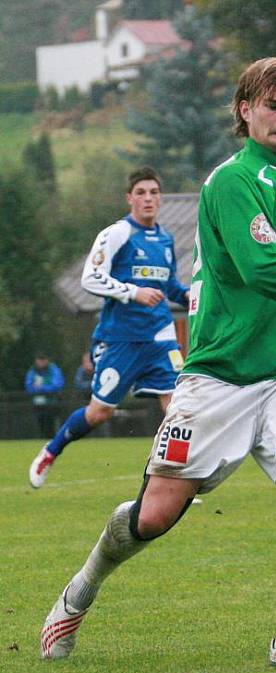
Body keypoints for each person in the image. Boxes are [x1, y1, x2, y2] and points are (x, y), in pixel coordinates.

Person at [40, 56, 276, 673]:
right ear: (245, 110)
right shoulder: (233, 181)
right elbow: (263, 271)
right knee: (153, 516)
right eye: (274, 106)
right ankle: (82, 588)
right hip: (221, 375)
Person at [28, 166, 189, 489]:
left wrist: (190, 298)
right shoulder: (117, 233)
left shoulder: (166, 238)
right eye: (141, 193)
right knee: (99, 412)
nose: (148, 199)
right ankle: (51, 451)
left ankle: (170, 484)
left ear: (160, 198)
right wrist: (133, 292)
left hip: (160, 337)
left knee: (178, 409)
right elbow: (90, 277)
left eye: (154, 193)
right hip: (120, 339)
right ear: (129, 198)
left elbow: (168, 284)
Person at [24, 352, 65, 438]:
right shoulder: (32, 371)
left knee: (52, 423)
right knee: (40, 423)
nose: (41, 362)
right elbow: (29, 386)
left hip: (52, 402)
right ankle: (40, 439)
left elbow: (57, 385)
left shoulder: (54, 370)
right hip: (37, 403)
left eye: (43, 360)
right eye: (39, 360)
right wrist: (37, 389)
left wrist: (41, 388)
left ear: (47, 360)